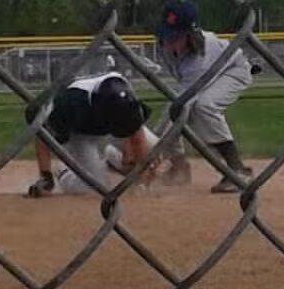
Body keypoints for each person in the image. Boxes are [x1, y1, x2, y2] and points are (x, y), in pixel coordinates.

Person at [156, 0, 253, 194]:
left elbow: (183, 105)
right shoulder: (165, 44)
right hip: (205, 76)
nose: (168, 41)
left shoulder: (201, 55)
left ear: (189, 34)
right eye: (166, 34)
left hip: (233, 71)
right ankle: (179, 166)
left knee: (203, 106)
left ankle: (237, 170)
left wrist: (152, 149)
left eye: (175, 37)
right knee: (174, 110)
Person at [25, 72, 156, 197]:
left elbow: (136, 133)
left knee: (155, 148)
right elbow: (43, 135)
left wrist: (140, 174)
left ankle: (112, 159)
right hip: (80, 134)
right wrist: (46, 176)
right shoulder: (69, 102)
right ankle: (63, 170)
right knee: (94, 187)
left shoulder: (125, 96)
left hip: (106, 124)